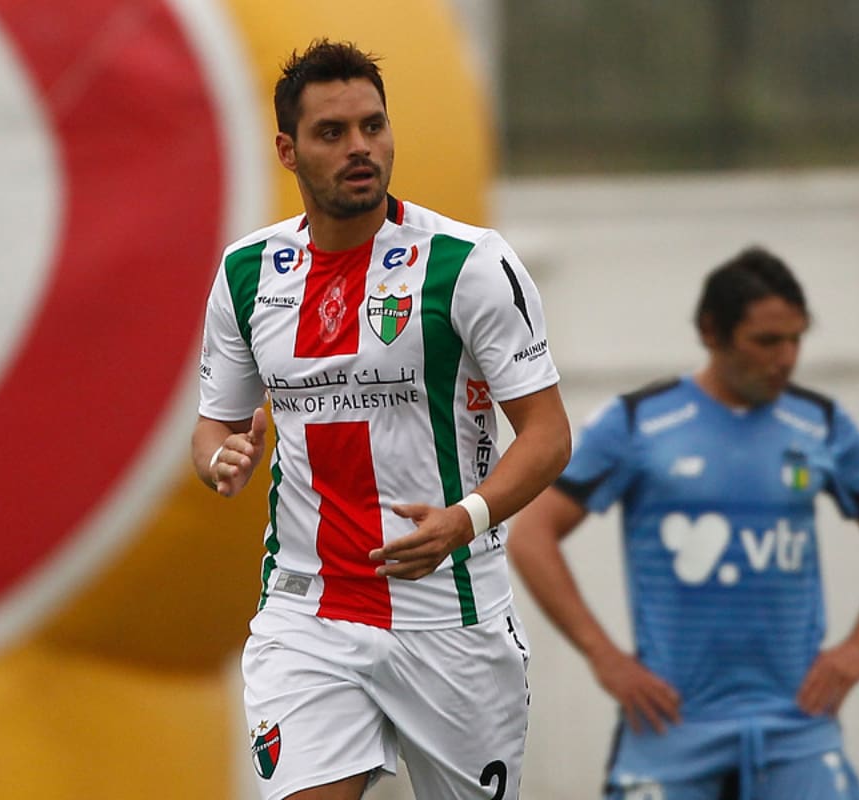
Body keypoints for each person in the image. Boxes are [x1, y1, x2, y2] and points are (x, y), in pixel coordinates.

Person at [191, 39, 570, 800]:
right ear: (287, 151)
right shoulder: (245, 272)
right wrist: (220, 460)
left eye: (373, 126)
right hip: (309, 611)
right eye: (333, 133)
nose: (360, 148)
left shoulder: (469, 264)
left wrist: (466, 518)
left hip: (451, 613)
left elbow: (549, 434)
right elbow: (215, 428)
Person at [507, 247, 859, 800]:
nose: (786, 358)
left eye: (796, 339)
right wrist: (604, 657)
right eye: (767, 342)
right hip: (672, 724)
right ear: (712, 332)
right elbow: (533, 533)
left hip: (796, 726)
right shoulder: (637, 423)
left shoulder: (820, 424)